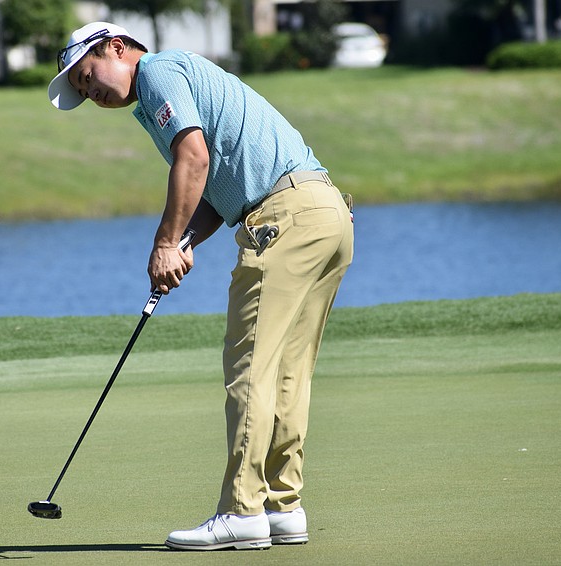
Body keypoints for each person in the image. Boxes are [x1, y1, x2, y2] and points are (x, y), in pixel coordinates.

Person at [48, 22, 354, 551]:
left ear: (115, 48)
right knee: (287, 374)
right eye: (81, 89)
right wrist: (187, 239)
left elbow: (193, 159)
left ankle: (242, 511)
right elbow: (213, 187)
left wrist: (165, 243)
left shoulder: (158, 72)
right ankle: (282, 506)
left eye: (87, 75)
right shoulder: (169, 85)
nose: (90, 92)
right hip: (325, 214)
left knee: (250, 368)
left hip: (284, 218)